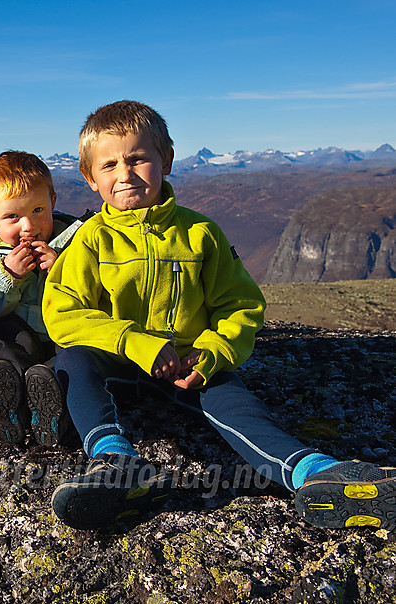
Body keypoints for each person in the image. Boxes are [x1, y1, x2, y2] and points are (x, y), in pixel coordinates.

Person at [43, 100, 396, 531]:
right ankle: (116, 462)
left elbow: (240, 306)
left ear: (166, 161)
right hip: (119, 361)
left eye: (138, 159)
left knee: (238, 406)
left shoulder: (200, 233)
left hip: (191, 364)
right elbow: (63, 312)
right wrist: (136, 343)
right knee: (73, 360)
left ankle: (317, 474)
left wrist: (211, 354)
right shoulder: (89, 242)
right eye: (110, 165)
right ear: (90, 177)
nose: (125, 174)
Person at [0, 151, 88, 447]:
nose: (28, 226)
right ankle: (2, 396)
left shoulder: (78, 241)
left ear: (53, 202)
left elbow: (96, 292)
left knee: (71, 362)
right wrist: (7, 276)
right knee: (0, 346)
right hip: (17, 336)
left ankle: (49, 406)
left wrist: (62, 267)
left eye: (38, 210)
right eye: (12, 216)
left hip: (61, 336)